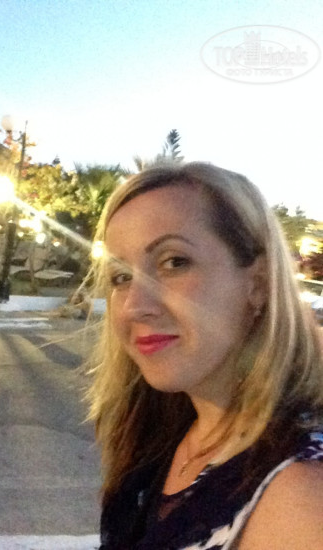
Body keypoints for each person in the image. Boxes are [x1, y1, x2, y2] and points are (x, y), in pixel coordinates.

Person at [86, 162, 323, 549]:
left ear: (258, 285)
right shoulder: (163, 437)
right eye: (121, 276)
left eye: (174, 262)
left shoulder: (300, 500)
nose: (133, 306)